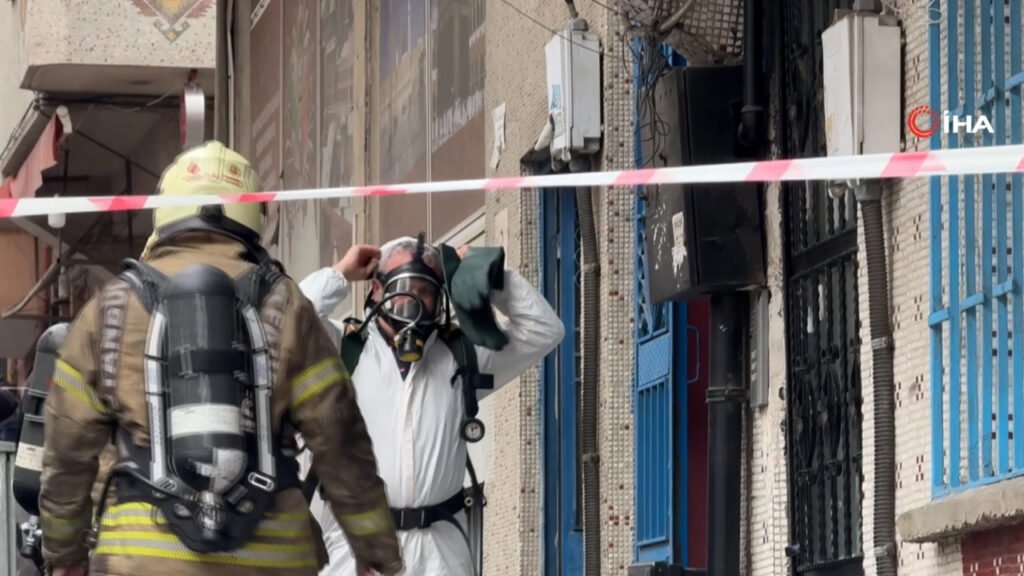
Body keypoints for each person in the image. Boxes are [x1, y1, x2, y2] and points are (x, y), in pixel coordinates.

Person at [38, 141, 403, 576]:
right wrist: (376, 553)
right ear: (250, 215)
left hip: (143, 559)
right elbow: (340, 441)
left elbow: (66, 452)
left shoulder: (110, 309)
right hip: (272, 559)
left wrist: (65, 557)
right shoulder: (286, 304)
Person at [298, 235, 565, 575]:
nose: (414, 302)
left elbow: (545, 330)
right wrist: (339, 274)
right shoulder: (342, 351)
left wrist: (492, 278)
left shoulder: (461, 356)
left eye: (425, 291)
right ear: (377, 290)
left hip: (439, 552)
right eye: (403, 287)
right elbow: (285, 319)